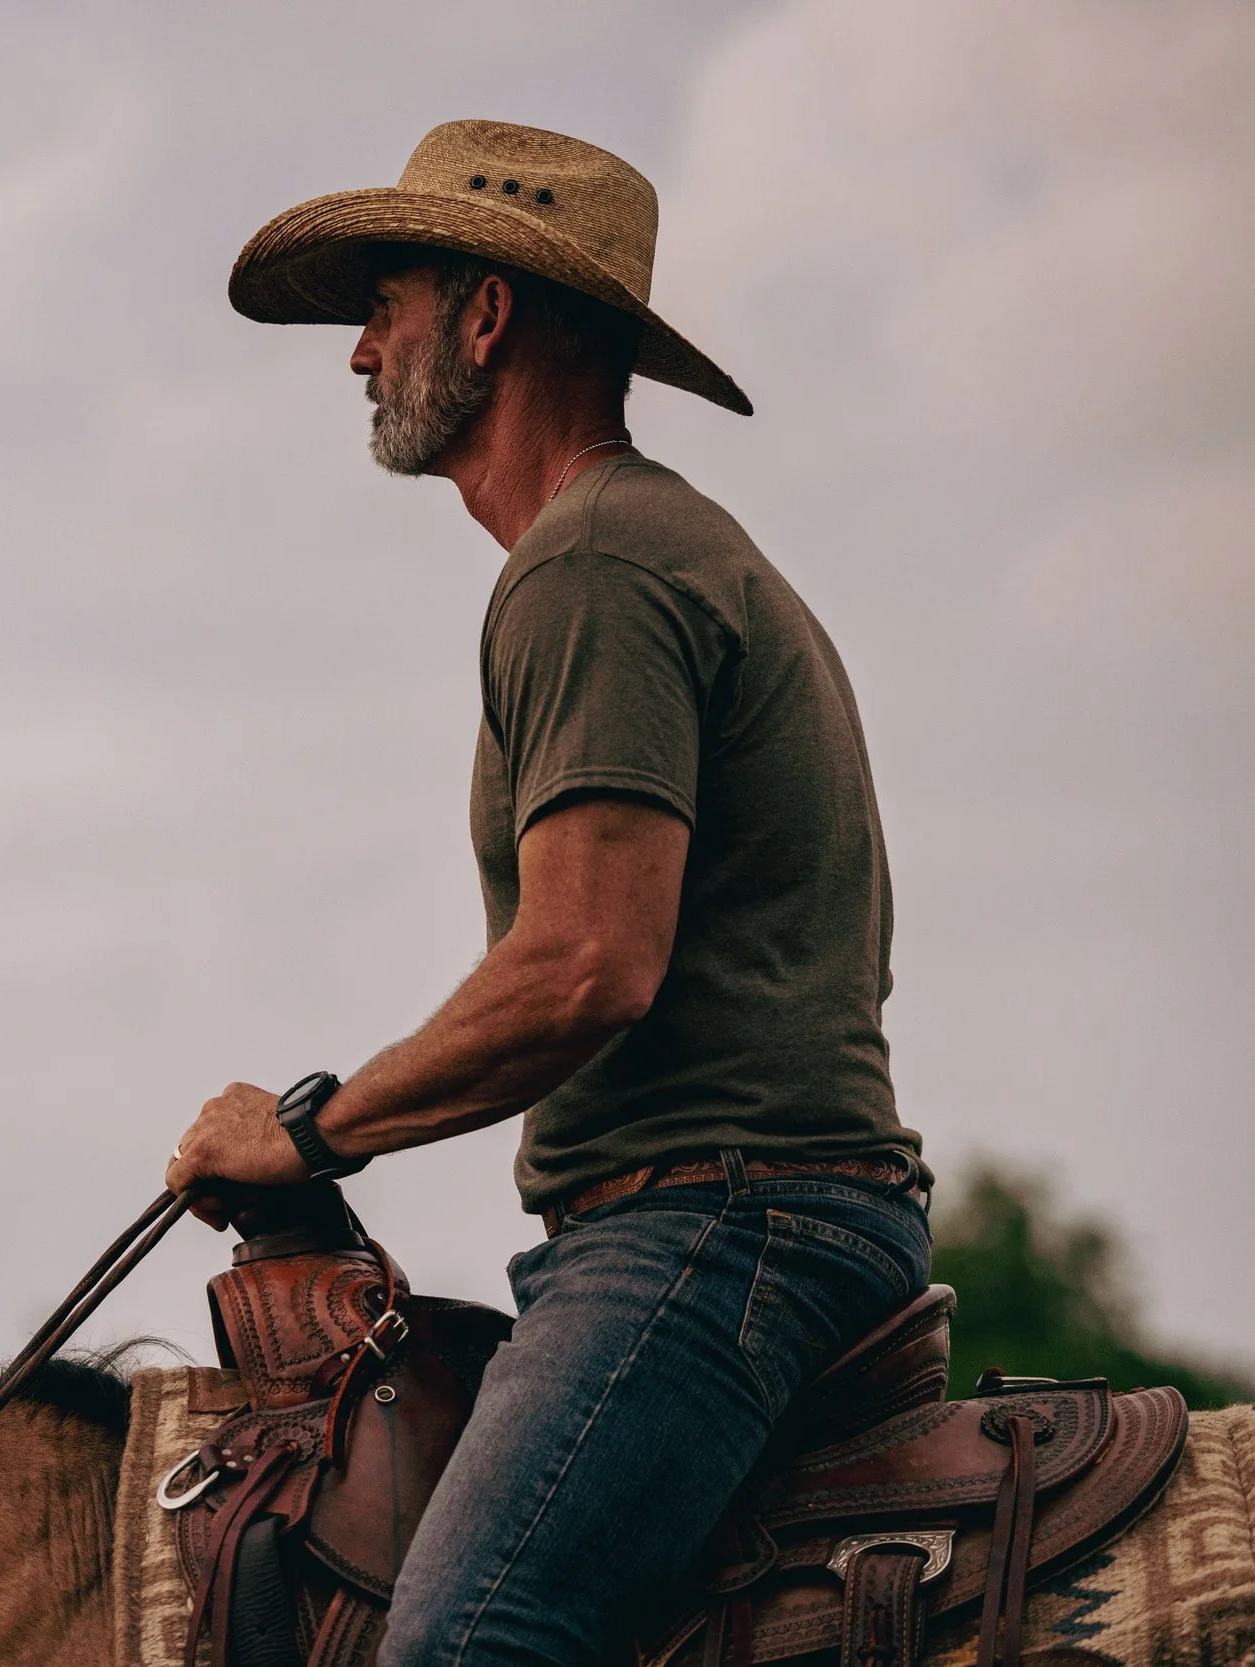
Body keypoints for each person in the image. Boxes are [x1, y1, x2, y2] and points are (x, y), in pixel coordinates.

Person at [162, 121, 935, 1667]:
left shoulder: (595, 567)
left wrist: (307, 1128)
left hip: (723, 1223)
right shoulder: (651, 549)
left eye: (387, 302)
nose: (363, 352)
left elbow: (585, 964)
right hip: (726, 1213)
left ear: (488, 315)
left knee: (469, 1643)